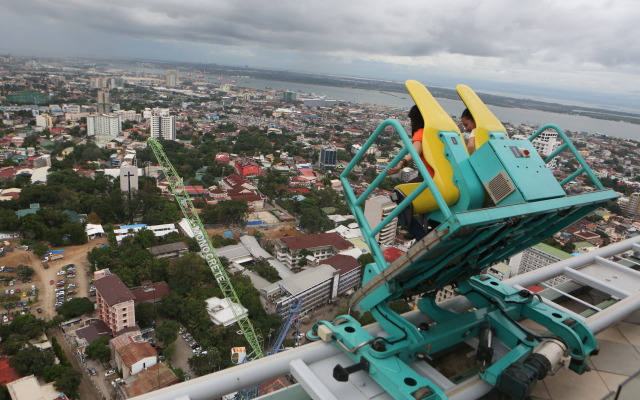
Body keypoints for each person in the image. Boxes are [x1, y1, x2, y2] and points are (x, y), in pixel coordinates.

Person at [388, 105, 436, 241]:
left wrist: (401, 164)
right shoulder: (436, 131)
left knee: (398, 195)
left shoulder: (421, 131)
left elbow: (415, 151)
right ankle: (419, 228)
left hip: (431, 177)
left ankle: (418, 234)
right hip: (439, 175)